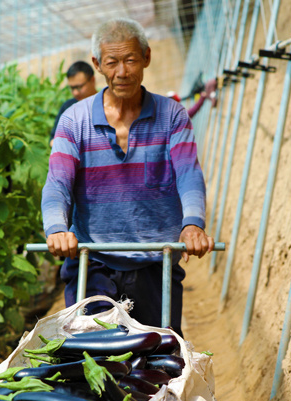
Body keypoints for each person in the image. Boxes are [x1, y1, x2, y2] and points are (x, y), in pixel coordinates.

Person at [41, 18, 214, 335]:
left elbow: (188, 173)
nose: (122, 72)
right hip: (93, 262)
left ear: (146, 57)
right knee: (92, 353)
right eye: (112, 62)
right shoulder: (74, 121)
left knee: (157, 354)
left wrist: (193, 224)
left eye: (131, 60)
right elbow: (57, 183)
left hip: (155, 261)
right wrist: (57, 228)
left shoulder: (172, 116)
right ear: (98, 65)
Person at [50, 61, 98, 141]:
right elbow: (53, 140)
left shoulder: (105, 104)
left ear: (92, 80)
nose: (75, 92)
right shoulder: (68, 107)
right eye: (72, 88)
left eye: (79, 87)